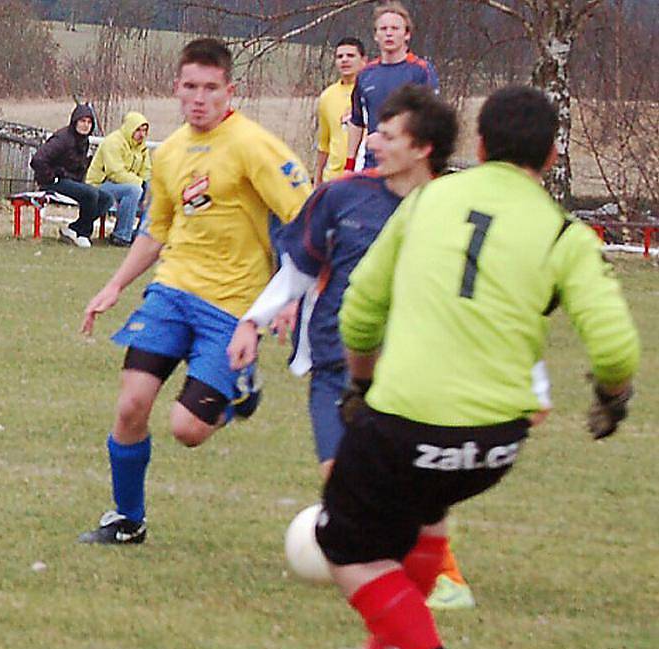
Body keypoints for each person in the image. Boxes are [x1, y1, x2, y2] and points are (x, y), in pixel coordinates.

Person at [315, 85, 639, 649]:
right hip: (494, 444)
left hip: (405, 425)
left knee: (342, 543)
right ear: (550, 157)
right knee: (427, 517)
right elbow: (614, 344)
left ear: (480, 145)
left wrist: (358, 385)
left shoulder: (430, 199)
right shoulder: (562, 232)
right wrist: (611, 398)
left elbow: (360, 308)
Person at [228, 85, 475, 610]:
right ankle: (393, 570)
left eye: (388, 136)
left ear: (422, 147)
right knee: (341, 478)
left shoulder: (455, 211)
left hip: (412, 369)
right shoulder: (341, 196)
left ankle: (439, 576)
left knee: (410, 479)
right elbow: (298, 267)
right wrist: (253, 321)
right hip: (335, 363)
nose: (374, 143)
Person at [78, 38, 312, 545]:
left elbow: (306, 218)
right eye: (190, 87)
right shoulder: (172, 153)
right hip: (172, 292)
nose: (200, 98)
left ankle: (240, 386)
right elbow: (156, 229)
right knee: (130, 405)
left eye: (211, 88)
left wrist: (291, 294)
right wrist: (114, 285)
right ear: (176, 89)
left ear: (231, 90)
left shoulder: (255, 146)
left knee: (188, 430)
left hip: (232, 307)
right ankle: (127, 519)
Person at [345, 1, 439, 172]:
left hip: (408, 165)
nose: (389, 34)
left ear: (407, 34)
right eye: (383, 29)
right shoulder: (365, 74)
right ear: (375, 35)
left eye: (395, 29)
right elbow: (357, 121)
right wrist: (349, 165)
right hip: (373, 165)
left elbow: (431, 120)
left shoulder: (421, 71)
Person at [30, 104, 113, 248]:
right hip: (53, 182)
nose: (85, 125)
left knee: (106, 199)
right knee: (91, 194)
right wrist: (51, 177)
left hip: (70, 181)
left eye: (89, 122)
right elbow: (37, 159)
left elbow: (76, 168)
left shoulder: (84, 141)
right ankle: (83, 234)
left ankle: (74, 229)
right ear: (75, 121)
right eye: (82, 121)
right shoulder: (62, 138)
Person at [86, 111, 152, 247]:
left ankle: (140, 235)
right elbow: (115, 172)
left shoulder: (142, 147)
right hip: (100, 184)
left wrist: (149, 185)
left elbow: (146, 170)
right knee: (133, 191)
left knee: (155, 193)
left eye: (144, 130)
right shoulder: (113, 142)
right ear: (129, 128)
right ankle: (121, 235)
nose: (142, 134)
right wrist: (141, 183)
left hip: (128, 184)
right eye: (138, 130)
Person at [314, 37, 367, 186]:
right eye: (340, 56)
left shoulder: (370, 91)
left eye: (350, 56)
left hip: (363, 174)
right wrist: (317, 179)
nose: (345, 60)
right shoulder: (327, 96)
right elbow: (324, 142)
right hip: (334, 177)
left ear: (363, 60)